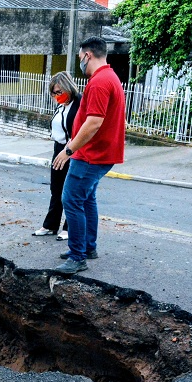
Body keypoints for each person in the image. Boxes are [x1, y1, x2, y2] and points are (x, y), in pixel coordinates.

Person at [51, 36, 125, 275]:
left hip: (91, 155)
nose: (80, 61)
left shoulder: (100, 82)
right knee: (87, 199)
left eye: (80, 56)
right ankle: (88, 247)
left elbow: (93, 123)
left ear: (88, 55)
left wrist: (69, 149)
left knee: (71, 200)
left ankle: (77, 256)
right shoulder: (108, 77)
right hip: (99, 154)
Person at [32, 71, 82, 242]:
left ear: (68, 88)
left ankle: (69, 227)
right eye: (53, 93)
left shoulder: (79, 104)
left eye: (59, 92)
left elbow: (81, 131)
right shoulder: (61, 105)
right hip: (58, 148)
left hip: (73, 150)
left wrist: (69, 150)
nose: (56, 96)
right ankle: (50, 225)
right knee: (56, 189)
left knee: (70, 191)